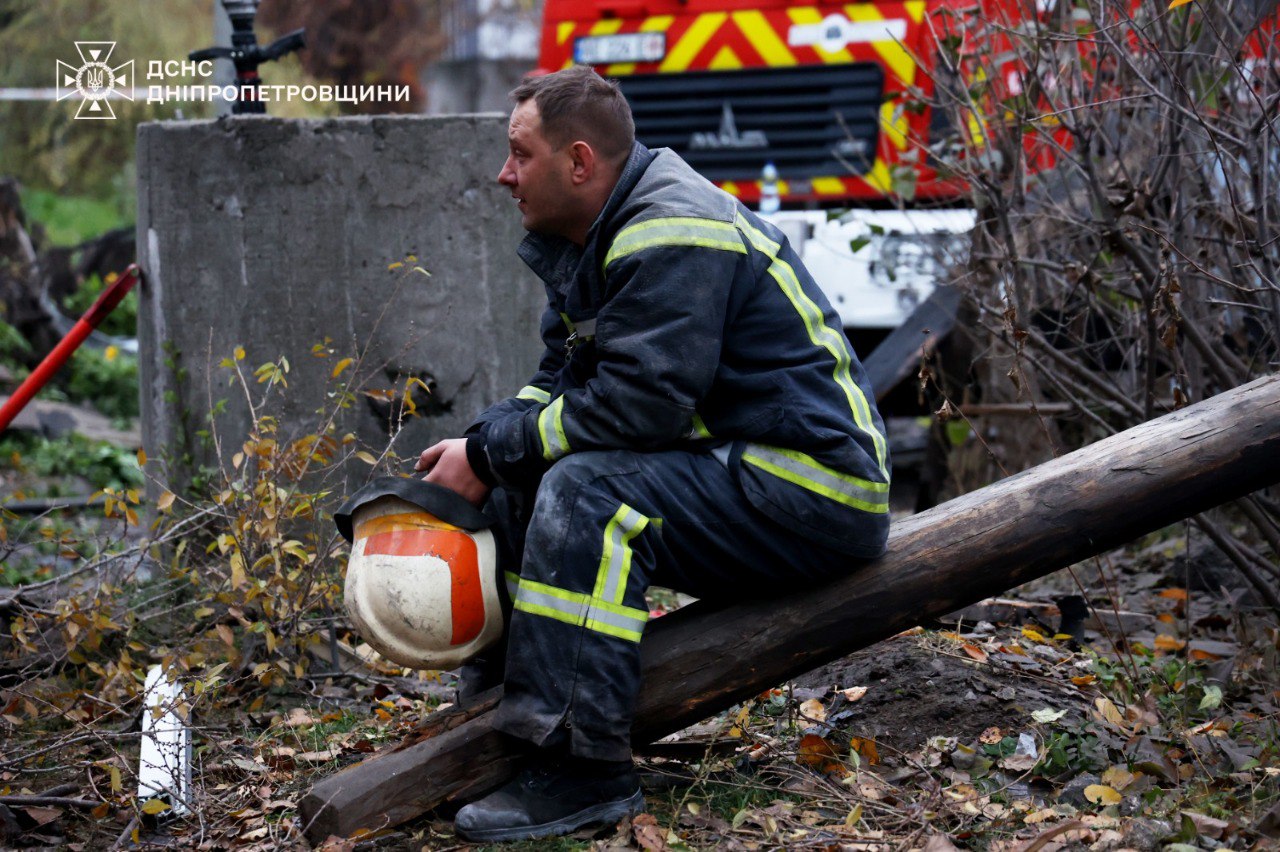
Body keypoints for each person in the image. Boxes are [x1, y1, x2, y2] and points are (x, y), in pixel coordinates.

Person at [415, 65, 891, 843]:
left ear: (578, 162)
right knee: (519, 478)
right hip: (746, 468)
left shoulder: (669, 227)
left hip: (815, 484)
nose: (503, 175)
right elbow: (563, 384)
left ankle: (583, 771)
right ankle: (501, 727)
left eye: (519, 154)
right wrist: (477, 449)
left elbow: (640, 406)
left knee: (587, 494)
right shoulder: (601, 233)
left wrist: (495, 448)